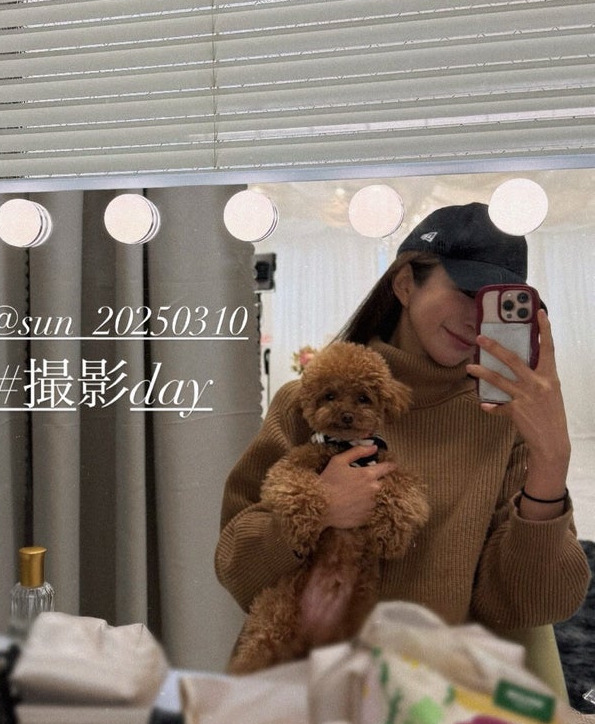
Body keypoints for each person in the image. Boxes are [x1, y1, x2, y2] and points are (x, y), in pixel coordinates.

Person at [215, 202, 591, 694]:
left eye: (492, 303)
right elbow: (237, 569)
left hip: (424, 701)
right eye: (466, 292)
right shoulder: (309, 403)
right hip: (297, 686)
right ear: (405, 284)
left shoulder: (502, 422)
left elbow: (529, 605)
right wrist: (320, 507)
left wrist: (551, 461)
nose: (476, 319)